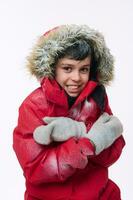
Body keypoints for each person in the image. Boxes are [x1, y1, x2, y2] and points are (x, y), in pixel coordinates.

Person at [13, 24, 125, 200]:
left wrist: (100, 140)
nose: (77, 78)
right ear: (52, 68)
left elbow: (112, 154)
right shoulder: (33, 106)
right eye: (67, 68)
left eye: (84, 69)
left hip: (99, 194)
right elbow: (35, 169)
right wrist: (84, 145)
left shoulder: (95, 98)